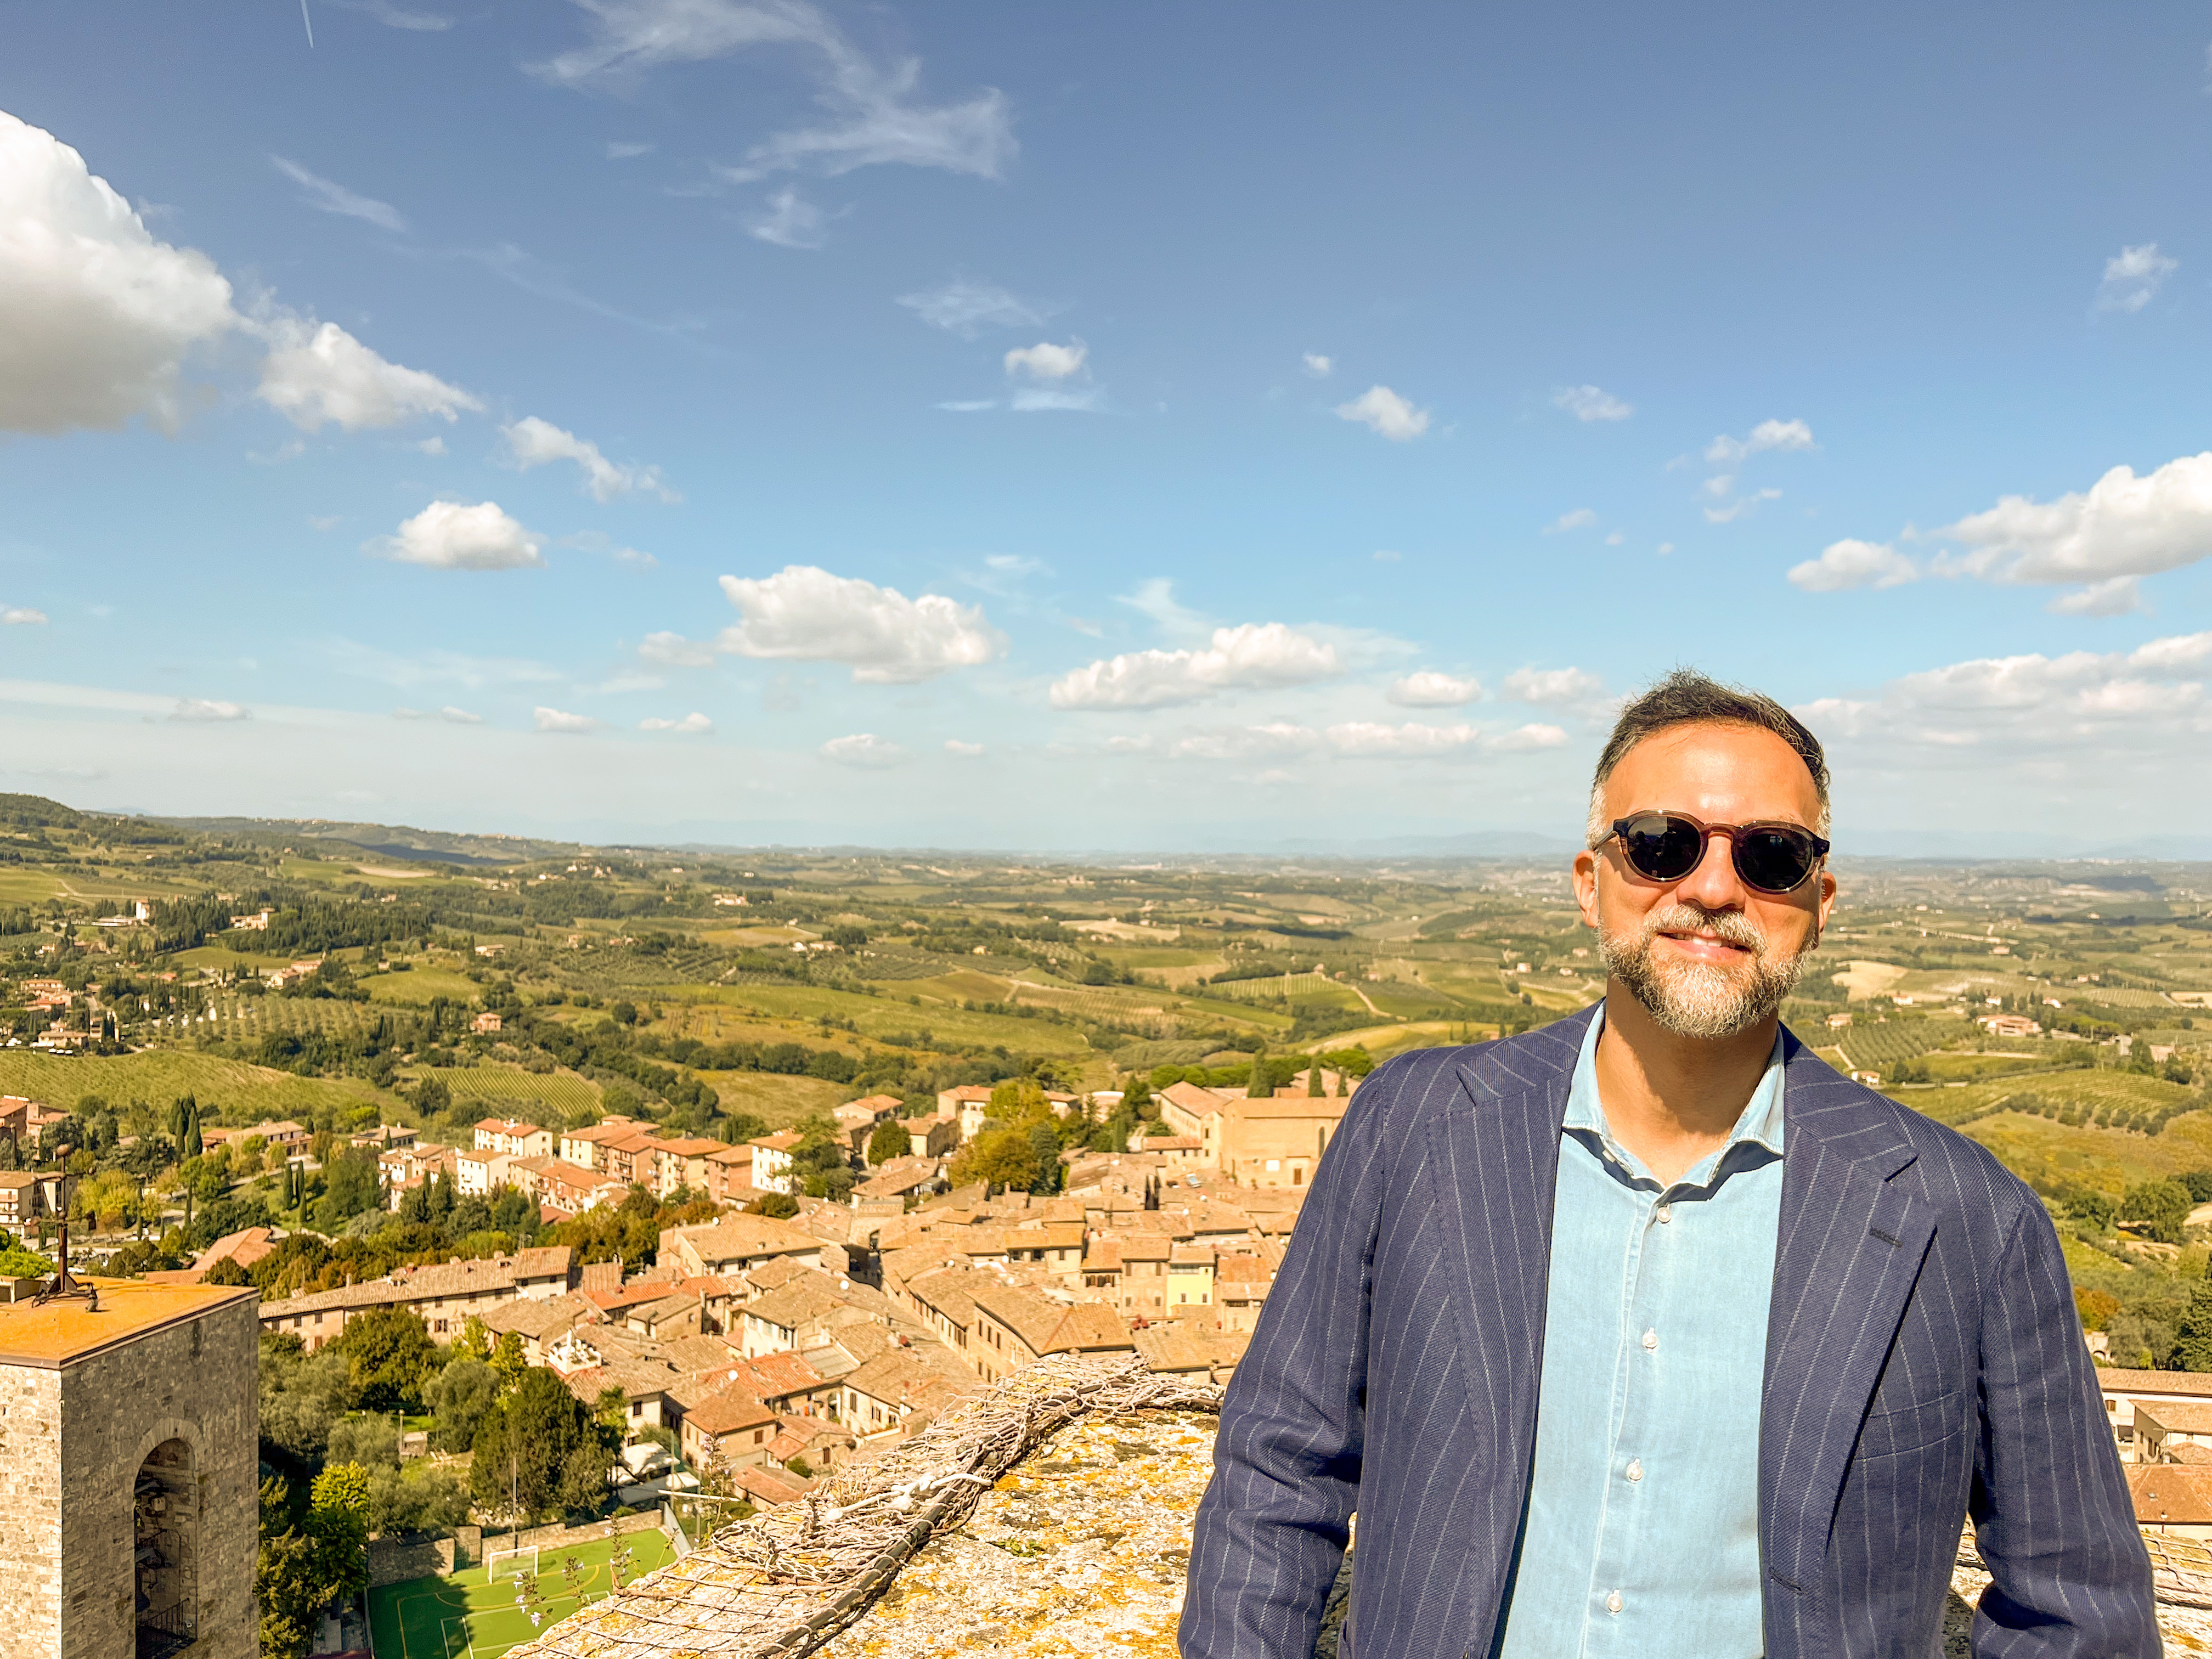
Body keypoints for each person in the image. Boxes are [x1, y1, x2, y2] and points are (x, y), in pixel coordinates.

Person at [1181, 670, 2153, 1659]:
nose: (1713, 888)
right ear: (1588, 880)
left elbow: (2078, 1608)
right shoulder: (1415, 1126)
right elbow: (1277, 1473)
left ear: (1819, 903)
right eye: (1661, 844)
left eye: (1771, 855)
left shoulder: (1969, 1219)